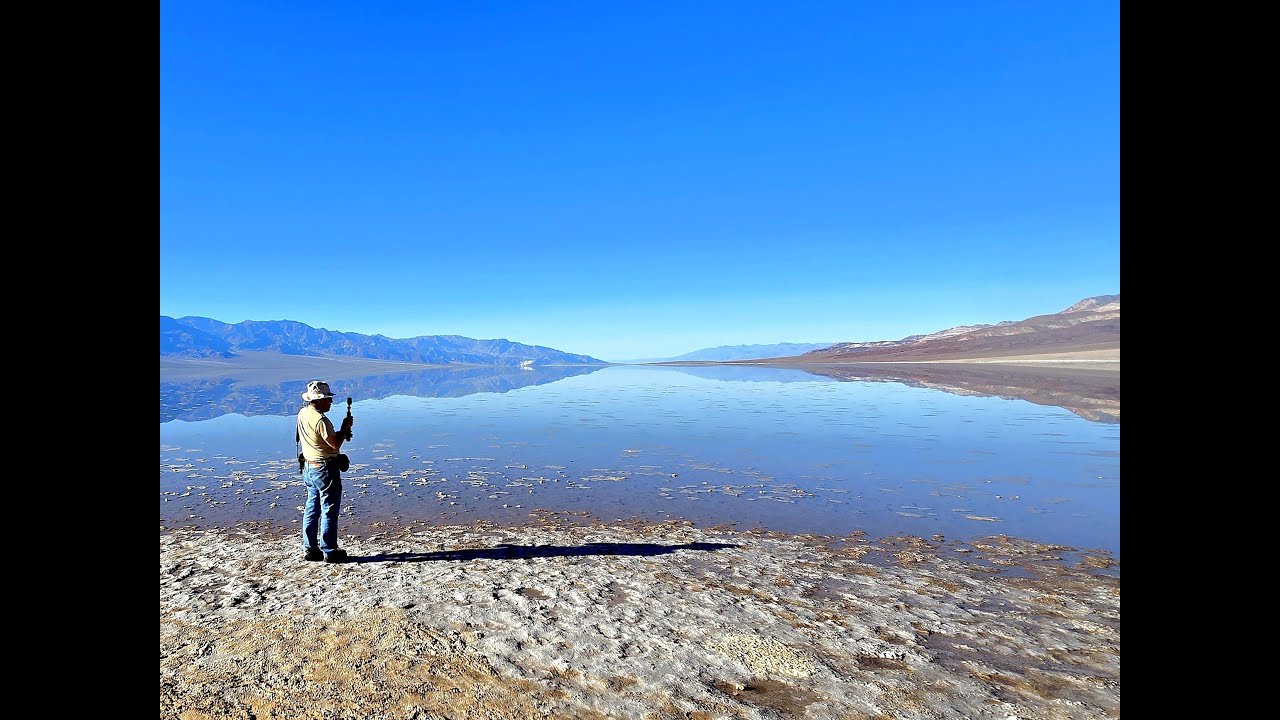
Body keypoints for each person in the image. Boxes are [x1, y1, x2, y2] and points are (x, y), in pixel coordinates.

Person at [297, 380, 354, 563]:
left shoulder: (303, 413)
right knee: (329, 509)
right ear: (320, 400)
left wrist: (341, 432)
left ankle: (310, 549)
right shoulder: (321, 420)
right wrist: (344, 428)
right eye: (328, 399)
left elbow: (319, 440)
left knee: (312, 508)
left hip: (309, 467)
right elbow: (334, 444)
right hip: (324, 469)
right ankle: (329, 551)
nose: (331, 402)